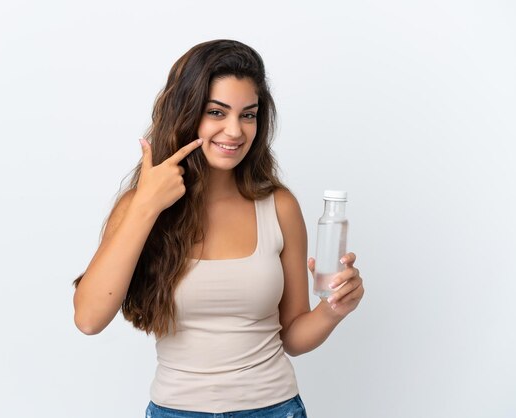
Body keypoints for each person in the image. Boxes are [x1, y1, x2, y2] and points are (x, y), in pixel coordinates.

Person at [72, 39, 364, 417]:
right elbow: (89, 319)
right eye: (216, 112)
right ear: (186, 114)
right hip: (174, 410)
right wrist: (147, 204)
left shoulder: (279, 206)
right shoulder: (139, 207)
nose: (235, 131)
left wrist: (333, 309)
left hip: (273, 409)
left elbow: (291, 334)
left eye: (248, 115)